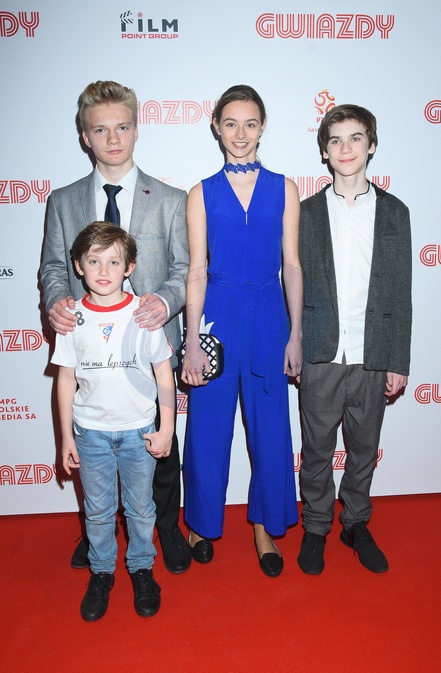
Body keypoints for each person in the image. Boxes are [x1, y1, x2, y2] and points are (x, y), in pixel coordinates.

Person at [40, 80, 191, 574]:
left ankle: (166, 527)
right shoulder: (62, 201)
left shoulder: (169, 198)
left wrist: (163, 303)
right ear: (85, 136)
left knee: (159, 446)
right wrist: (56, 302)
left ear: (136, 129)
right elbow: (53, 268)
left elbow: (184, 268)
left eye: (122, 127)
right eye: (100, 130)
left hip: (149, 343)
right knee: (98, 447)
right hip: (92, 348)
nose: (112, 139)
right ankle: (98, 532)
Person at [181, 84, 302, 577]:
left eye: (250, 123)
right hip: (216, 315)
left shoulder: (285, 188)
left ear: (263, 126)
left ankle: (264, 526)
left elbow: (292, 265)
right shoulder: (200, 193)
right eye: (230, 123)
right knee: (207, 428)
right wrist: (191, 339)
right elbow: (195, 270)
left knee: (270, 429)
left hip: (269, 316)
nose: (240, 133)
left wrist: (296, 333)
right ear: (216, 126)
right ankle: (200, 522)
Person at [297, 104, 412, 575]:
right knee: (317, 449)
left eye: (355, 138)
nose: (346, 148)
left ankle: (356, 523)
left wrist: (398, 359)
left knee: (364, 449)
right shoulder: (303, 213)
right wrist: (293, 345)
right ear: (324, 151)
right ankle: (316, 526)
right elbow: (289, 285)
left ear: (372, 145)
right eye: (336, 140)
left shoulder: (394, 212)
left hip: (373, 354)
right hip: (320, 352)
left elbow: (401, 291)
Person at [52, 222, 175, 620]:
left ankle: (141, 568)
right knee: (99, 511)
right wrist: (66, 438)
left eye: (114, 262)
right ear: (78, 265)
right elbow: (66, 379)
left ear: (130, 267)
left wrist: (167, 428)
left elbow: (163, 373)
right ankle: (102, 572)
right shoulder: (72, 318)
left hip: (139, 432)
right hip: (91, 435)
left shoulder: (143, 314)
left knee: (140, 509)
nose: (103, 271)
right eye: (93, 261)